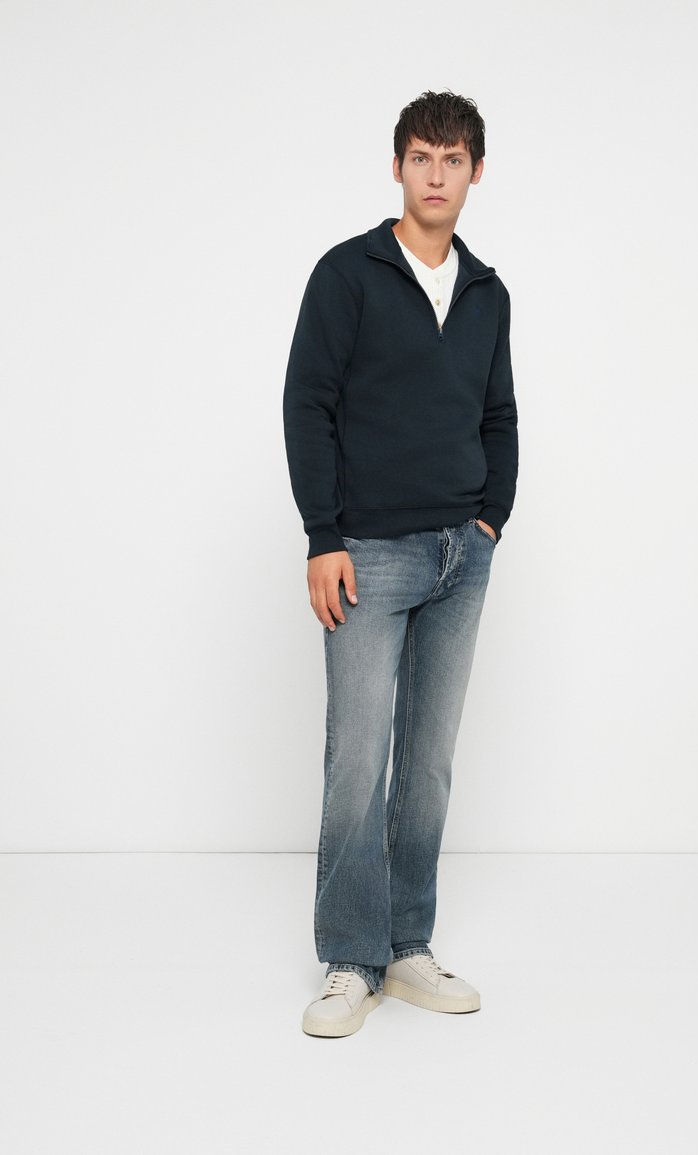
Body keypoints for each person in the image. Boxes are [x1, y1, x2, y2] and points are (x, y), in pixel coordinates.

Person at [283, 90, 518, 1037]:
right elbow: (308, 402)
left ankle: (407, 944)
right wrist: (323, 534)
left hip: (463, 554)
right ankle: (351, 959)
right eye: (422, 156)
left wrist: (491, 517)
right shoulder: (349, 273)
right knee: (358, 760)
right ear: (397, 166)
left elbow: (499, 413)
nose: (436, 175)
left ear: (475, 173)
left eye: (453, 160)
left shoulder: (487, 290)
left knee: (427, 764)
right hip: (367, 553)